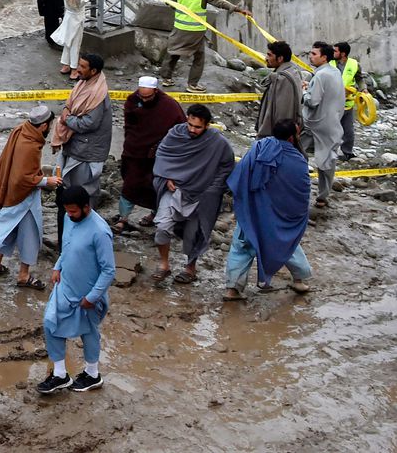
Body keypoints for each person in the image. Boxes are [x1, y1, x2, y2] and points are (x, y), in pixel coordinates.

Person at [37, 185, 115, 395]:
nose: (69, 215)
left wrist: (92, 297)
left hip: (87, 295)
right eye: (67, 211)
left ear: (86, 207)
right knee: (50, 323)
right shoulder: (69, 218)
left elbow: (109, 270)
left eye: (73, 211)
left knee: (88, 333)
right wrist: (57, 265)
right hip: (65, 286)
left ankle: (92, 374)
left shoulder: (100, 231)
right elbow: (68, 246)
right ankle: (60, 375)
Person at [224, 119, 313, 300]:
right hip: (278, 217)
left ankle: (233, 289)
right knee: (286, 244)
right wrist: (295, 218)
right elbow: (301, 194)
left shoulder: (258, 147)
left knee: (242, 246)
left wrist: (243, 202)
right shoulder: (298, 161)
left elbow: (240, 175)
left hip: (251, 212)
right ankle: (299, 280)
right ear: (291, 138)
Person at [150, 103, 235, 285]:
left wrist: (213, 189)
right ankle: (164, 265)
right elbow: (163, 155)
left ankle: (190, 268)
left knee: (194, 233)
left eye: (198, 127)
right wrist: (166, 178)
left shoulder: (217, 142)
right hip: (174, 190)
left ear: (207, 126)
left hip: (201, 195)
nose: (192, 130)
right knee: (162, 227)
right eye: (190, 124)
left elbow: (227, 165)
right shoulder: (175, 134)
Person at [0, 106, 60, 289]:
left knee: (9, 228)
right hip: (23, 197)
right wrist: (46, 180)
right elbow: (23, 178)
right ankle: (24, 275)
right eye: (50, 125)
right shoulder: (31, 146)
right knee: (31, 234)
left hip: (9, 192)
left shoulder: (20, 130)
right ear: (43, 126)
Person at [50, 54, 112, 246]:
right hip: (73, 149)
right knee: (64, 195)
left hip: (85, 155)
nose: (78, 69)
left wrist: (66, 119)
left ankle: (80, 241)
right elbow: (70, 108)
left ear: (93, 71)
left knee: (82, 197)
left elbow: (88, 123)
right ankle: (66, 240)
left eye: (82, 67)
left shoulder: (97, 95)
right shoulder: (83, 85)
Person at [161, 0, 251, 93]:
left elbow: (171, 5)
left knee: (173, 52)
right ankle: (192, 85)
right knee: (199, 57)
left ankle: (166, 79)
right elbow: (220, 2)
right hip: (195, 32)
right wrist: (238, 9)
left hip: (180, 29)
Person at [115, 77, 184, 233]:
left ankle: (154, 214)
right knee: (129, 185)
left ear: (156, 91)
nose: (145, 100)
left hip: (158, 156)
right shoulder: (133, 101)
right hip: (135, 152)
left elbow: (179, 129)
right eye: (142, 97)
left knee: (155, 188)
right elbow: (129, 126)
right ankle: (123, 218)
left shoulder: (169, 105)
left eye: (148, 97)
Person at [300, 41, 344, 208]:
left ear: (324, 57)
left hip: (315, 124)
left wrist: (304, 91)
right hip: (332, 123)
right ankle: (323, 196)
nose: (310, 56)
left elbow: (312, 100)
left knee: (297, 154)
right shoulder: (335, 72)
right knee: (327, 161)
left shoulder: (320, 75)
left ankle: (297, 190)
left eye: (314, 54)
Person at [254, 41, 303, 138]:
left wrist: (273, 136)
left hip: (278, 136)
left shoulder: (284, 79)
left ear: (280, 58)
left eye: (269, 55)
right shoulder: (290, 72)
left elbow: (282, 112)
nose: (266, 58)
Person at [55, 0, 90, 75]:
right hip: (75, 16)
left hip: (70, 16)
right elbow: (77, 5)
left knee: (68, 42)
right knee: (75, 43)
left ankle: (65, 65)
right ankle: (74, 69)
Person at [331, 42, 366, 161]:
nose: (333, 53)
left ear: (343, 53)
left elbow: (360, 79)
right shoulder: (329, 63)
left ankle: (347, 152)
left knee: (348, 130)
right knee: (331, 129)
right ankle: (330, 152)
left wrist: (364, 89)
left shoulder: (354, 64)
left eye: (335, 51)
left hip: (347, 104)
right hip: (331, 103)